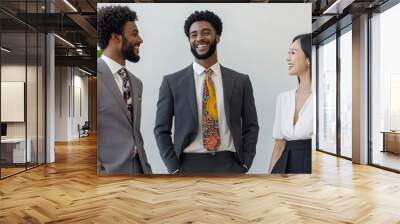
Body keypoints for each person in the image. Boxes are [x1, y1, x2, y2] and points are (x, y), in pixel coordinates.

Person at [154, 10, 259, 174]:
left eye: (206, 32)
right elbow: (161, 130)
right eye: (193, 34)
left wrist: (245, 163)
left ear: (217, 37)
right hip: (187, 165)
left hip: (230, 164)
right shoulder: (172, 83)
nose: (199, 38)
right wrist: (174, 168)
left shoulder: (241, 81)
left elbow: (251, 126)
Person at [97, 6, 152, 174]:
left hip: (140, 171)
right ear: (116, 38)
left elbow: (133, 131)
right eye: (134, 34)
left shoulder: (137, 83)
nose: (140, 39)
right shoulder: (94, 78)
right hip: (108, 175)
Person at [269, 33, 313, 174]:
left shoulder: (323, 98)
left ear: (308, 59)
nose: (288, 58)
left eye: (293, 53)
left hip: (311, 164)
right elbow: (279, 144)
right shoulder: (283, 98)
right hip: (284, 165)